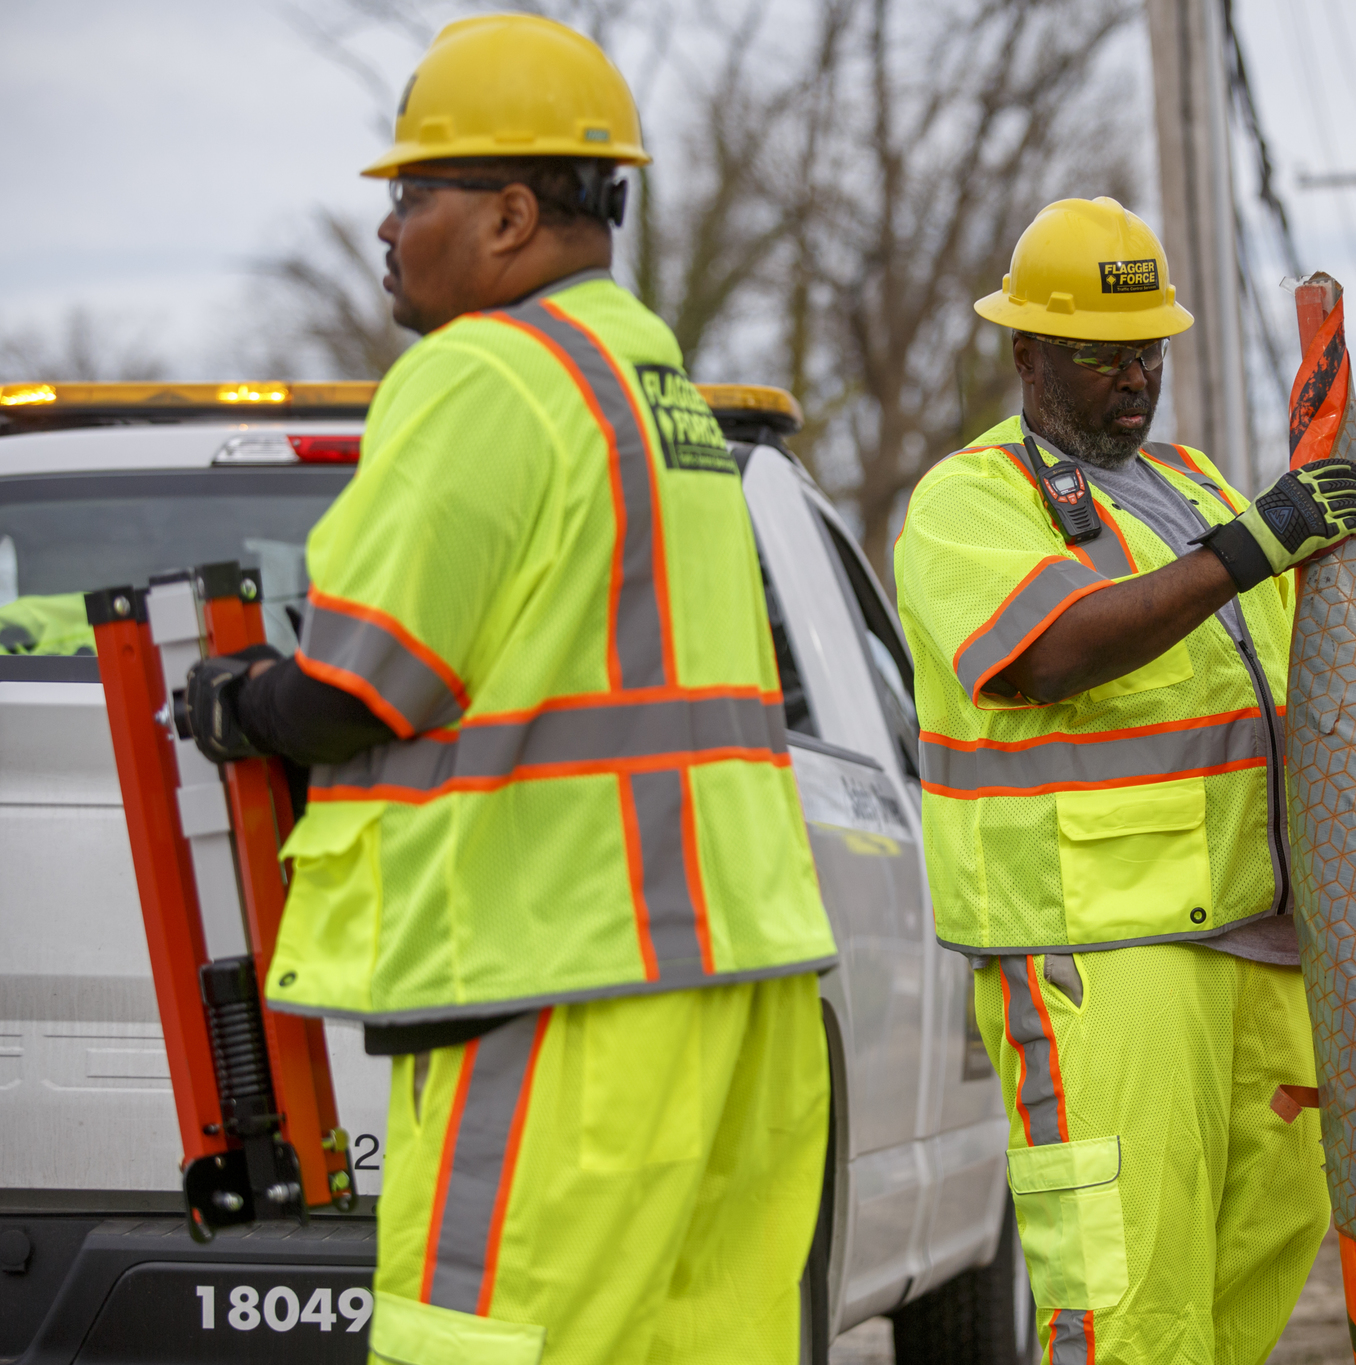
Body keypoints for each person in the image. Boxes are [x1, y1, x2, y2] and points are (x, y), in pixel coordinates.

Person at [181, 16, 836, 1364]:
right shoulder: (650, 375)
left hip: (550, 985)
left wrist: (236, 700)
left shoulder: (482, 374)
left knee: (478, 1343)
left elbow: (363, 685)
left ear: (513, 215)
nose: (388, 229)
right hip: (726, 972)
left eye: (413, 194)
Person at [893, 195, 1356, 1365]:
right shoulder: (970, 501)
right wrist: (1250, 545)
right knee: (1127, 1301)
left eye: (1146, 348)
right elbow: (1050, 652)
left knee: (1246, 1269)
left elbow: (1252, 689)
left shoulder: (1191, 487)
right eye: (1102, 355)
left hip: (1254, 945)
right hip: (1103, 953)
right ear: (1025, 352)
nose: (1132, 377)